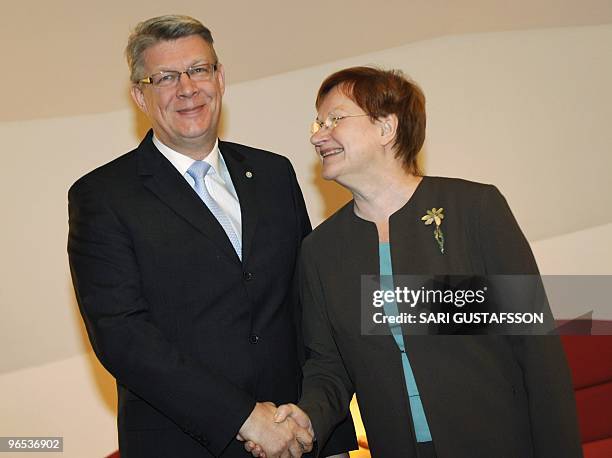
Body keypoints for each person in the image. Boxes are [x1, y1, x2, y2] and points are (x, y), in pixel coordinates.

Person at [247, 66, 583, 457]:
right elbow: (328, 367)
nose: (317, 135)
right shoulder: (320, 251)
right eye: (317, 123)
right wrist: (309, 418)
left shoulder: (473, 210)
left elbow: (536, 350)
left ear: (387, 126)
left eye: (334, 119)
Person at [68, 15, 355, 458]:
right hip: (182, 445)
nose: (187, 88)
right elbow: (123, 336)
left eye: (198, 70)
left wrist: (328, 434)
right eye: (164, 77)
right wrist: (245, 417)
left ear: (220, 78)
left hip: (297, 440)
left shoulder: (275, 174)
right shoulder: (102, 196)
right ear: (139, 95)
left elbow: (309, 312)